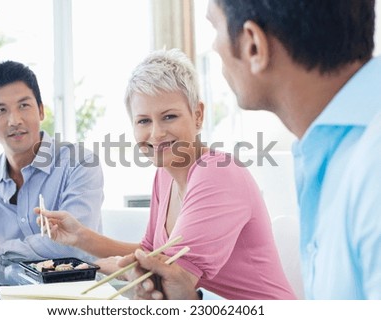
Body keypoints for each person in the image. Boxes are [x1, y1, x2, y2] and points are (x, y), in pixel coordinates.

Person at [125, 0, 381, 300]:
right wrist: (194, 304)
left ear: (253, 45)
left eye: (214, 27)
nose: (215, 49)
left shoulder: (370, 165)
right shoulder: (331, 153)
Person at [37, 49, 296, 299]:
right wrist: (81, 237)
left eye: (169, 116)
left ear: (198, 115)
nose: (157, 134)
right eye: (143, 121)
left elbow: (171, 279)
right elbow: (150, 253)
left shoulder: (217, 173)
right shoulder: (165, 175)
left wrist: (107, 267)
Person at [0, 61, 104, 261]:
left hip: (75, 288)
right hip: (6, 291)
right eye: (1, 110)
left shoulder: (80, 162)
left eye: (24, 105)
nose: (15, 120)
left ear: (41, 111)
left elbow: (72, 245)